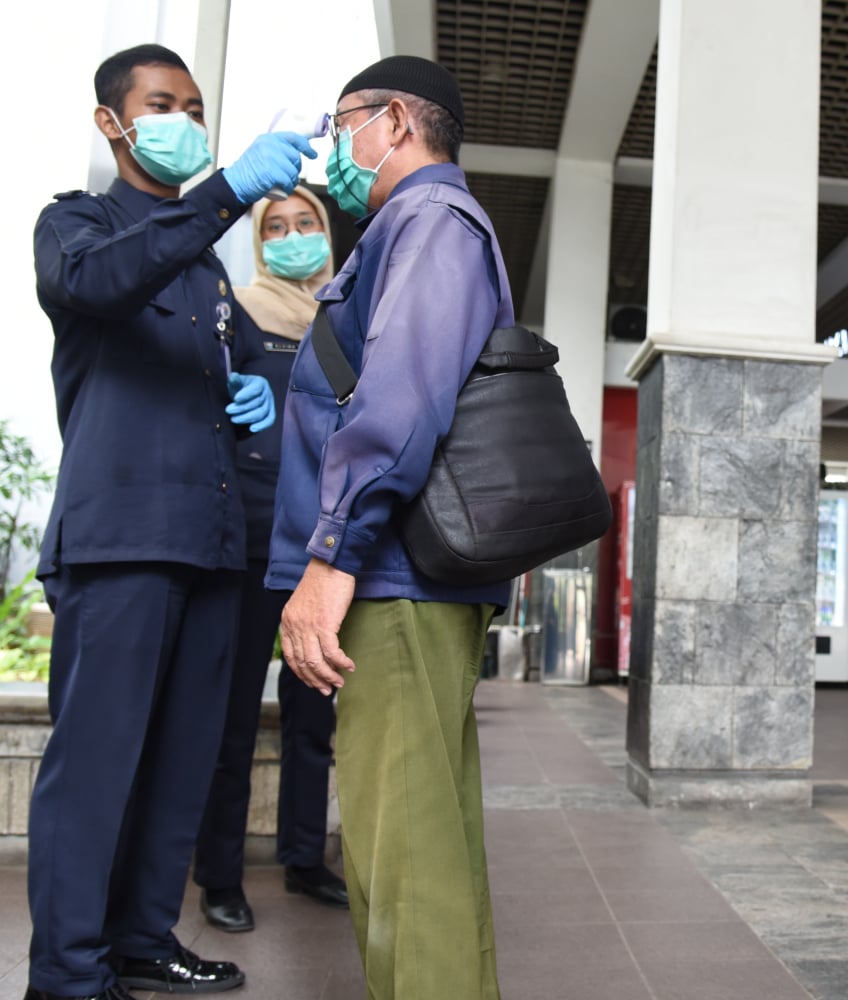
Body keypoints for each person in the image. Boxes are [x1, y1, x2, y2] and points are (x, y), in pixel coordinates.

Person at [28, 44, 313, 1000]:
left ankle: (144, 937)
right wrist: (228, 190)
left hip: (211, 545)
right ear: (113, 122)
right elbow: (104, 285)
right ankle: (67, 972)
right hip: (121, 544)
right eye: (162, 103)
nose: (183, 118)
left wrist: (247, 397)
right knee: (97, 765)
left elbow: (210, 370)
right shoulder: (78, 226)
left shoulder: (212, 278)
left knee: (181, 763)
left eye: (195, 104)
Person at [267, 56, 513, 999]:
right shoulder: (415, 228)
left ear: (398, 120)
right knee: (429, 859)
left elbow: (400, 400)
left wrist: (332, 557)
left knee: (402, 863)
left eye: (343, 127)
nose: (334, 150)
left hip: (392, 577)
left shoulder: (428, 221)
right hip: (402, 576)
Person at [193, 187, 347, 935]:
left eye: (306, 224)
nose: (292, 237)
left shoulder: (351, 313)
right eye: (276, 228)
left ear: (327, 230)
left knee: (313, 713)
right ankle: (220, 875)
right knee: (231, 720)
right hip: (253, 538)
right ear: (258, 241)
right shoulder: (241, 310)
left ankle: (304, 857)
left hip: (322, 547)